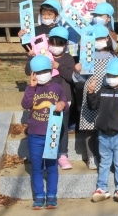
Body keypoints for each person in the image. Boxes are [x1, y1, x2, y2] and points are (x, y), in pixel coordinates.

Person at [21, 55, 69, 210]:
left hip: (52, 135)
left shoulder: (57, 88)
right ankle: (39, 196)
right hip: (35, 135)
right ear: (33, 73)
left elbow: (65, 103)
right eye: (38, 72)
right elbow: (26, 104)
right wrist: (31, 87)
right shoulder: (32, 89)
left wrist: (62, 103)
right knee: (36, 167)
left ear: (50, 71)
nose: (42, 74)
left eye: (45, 71)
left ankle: (52, 195)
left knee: (52, 166)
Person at [87, 57, 118, 204]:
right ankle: (102, 188)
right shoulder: (103, 90)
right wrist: (91, 94)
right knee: (104, 163)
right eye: (109, 75)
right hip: (103, 135)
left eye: (115, 76)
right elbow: (93, 106)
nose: (111, 78)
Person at [76, 24, 118, 170]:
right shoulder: (87, 56)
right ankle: (91, 156)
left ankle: (105, 157)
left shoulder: (113, 56)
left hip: (108, 95)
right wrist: (77, 72)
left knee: (105, 126)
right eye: (96, 39)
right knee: (90, 127)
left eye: (101, 38)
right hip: (90, 93)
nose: (99, 41)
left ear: (107, 39)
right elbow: (79, 79)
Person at [45, 26, 76, 170]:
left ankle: (62, 155)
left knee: (63, 128)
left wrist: (59, 66)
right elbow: (29, 70)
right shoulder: (44, 55)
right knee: (47, 128)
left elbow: (72, 77)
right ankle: (48, 155)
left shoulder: (69, 58)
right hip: (46, 98)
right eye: (53, 43)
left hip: (65, 98)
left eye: (60, 44)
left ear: (65, 45)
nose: (56, 47)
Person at [19, 0, 64, 67]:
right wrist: (23, 38)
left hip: (56, 64)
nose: (46, 17)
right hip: (40, 64)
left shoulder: (60, 30)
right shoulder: (35, 30)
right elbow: (30, 47)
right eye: (43, 14)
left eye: (49, 15)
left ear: (56, 15)